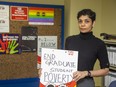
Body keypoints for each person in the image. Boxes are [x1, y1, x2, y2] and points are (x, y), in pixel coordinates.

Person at [65, 9, 110, 87]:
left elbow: (106, 71)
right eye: (80, 21)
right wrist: (47, 70)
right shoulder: (69, 40)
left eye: (87, 21)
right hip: (67, 80)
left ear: (93, 23)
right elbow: (62, 61)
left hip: (85, 82)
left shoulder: (99, 44)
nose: (82, 24)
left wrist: (86, 73)